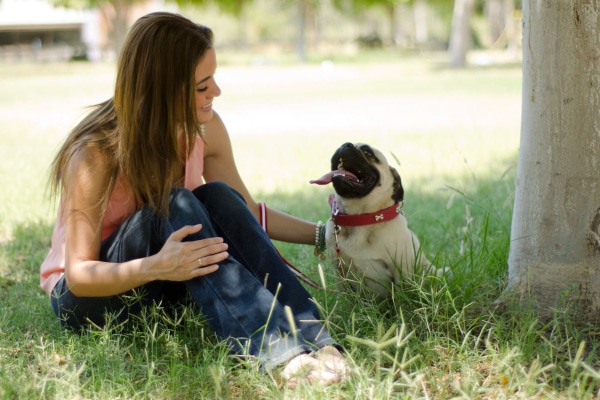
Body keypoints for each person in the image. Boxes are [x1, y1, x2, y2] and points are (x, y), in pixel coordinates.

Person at [40, 11, 346, 387]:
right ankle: (280, 356)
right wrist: (156, 266)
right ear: (164, 90)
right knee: (177, 202)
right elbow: (80, 275)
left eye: (213, 79)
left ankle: (316, 338)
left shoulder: (206, 128)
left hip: (165, 280)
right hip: (88, 299)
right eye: (203, 85)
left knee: (217, 195)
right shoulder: (95, 154)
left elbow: (245, 214)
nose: (215, 91)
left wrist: (325, 234)